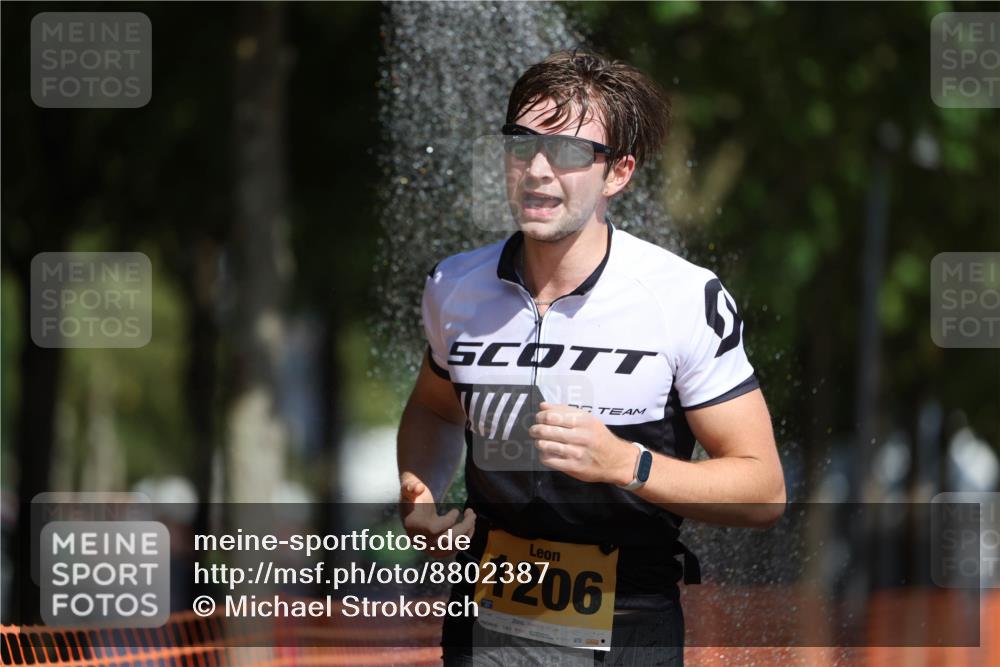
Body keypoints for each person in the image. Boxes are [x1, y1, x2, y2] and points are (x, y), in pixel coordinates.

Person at [397, 48, 785, 666]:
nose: (539, 169)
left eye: (571, 151)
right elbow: (434, 410)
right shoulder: (455, 286)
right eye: (522, 144)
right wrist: (420, 492)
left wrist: (625, 464)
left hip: (629, 628)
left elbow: (762, 490)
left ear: (618, 173)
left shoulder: (683, 297)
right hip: (487, 628)